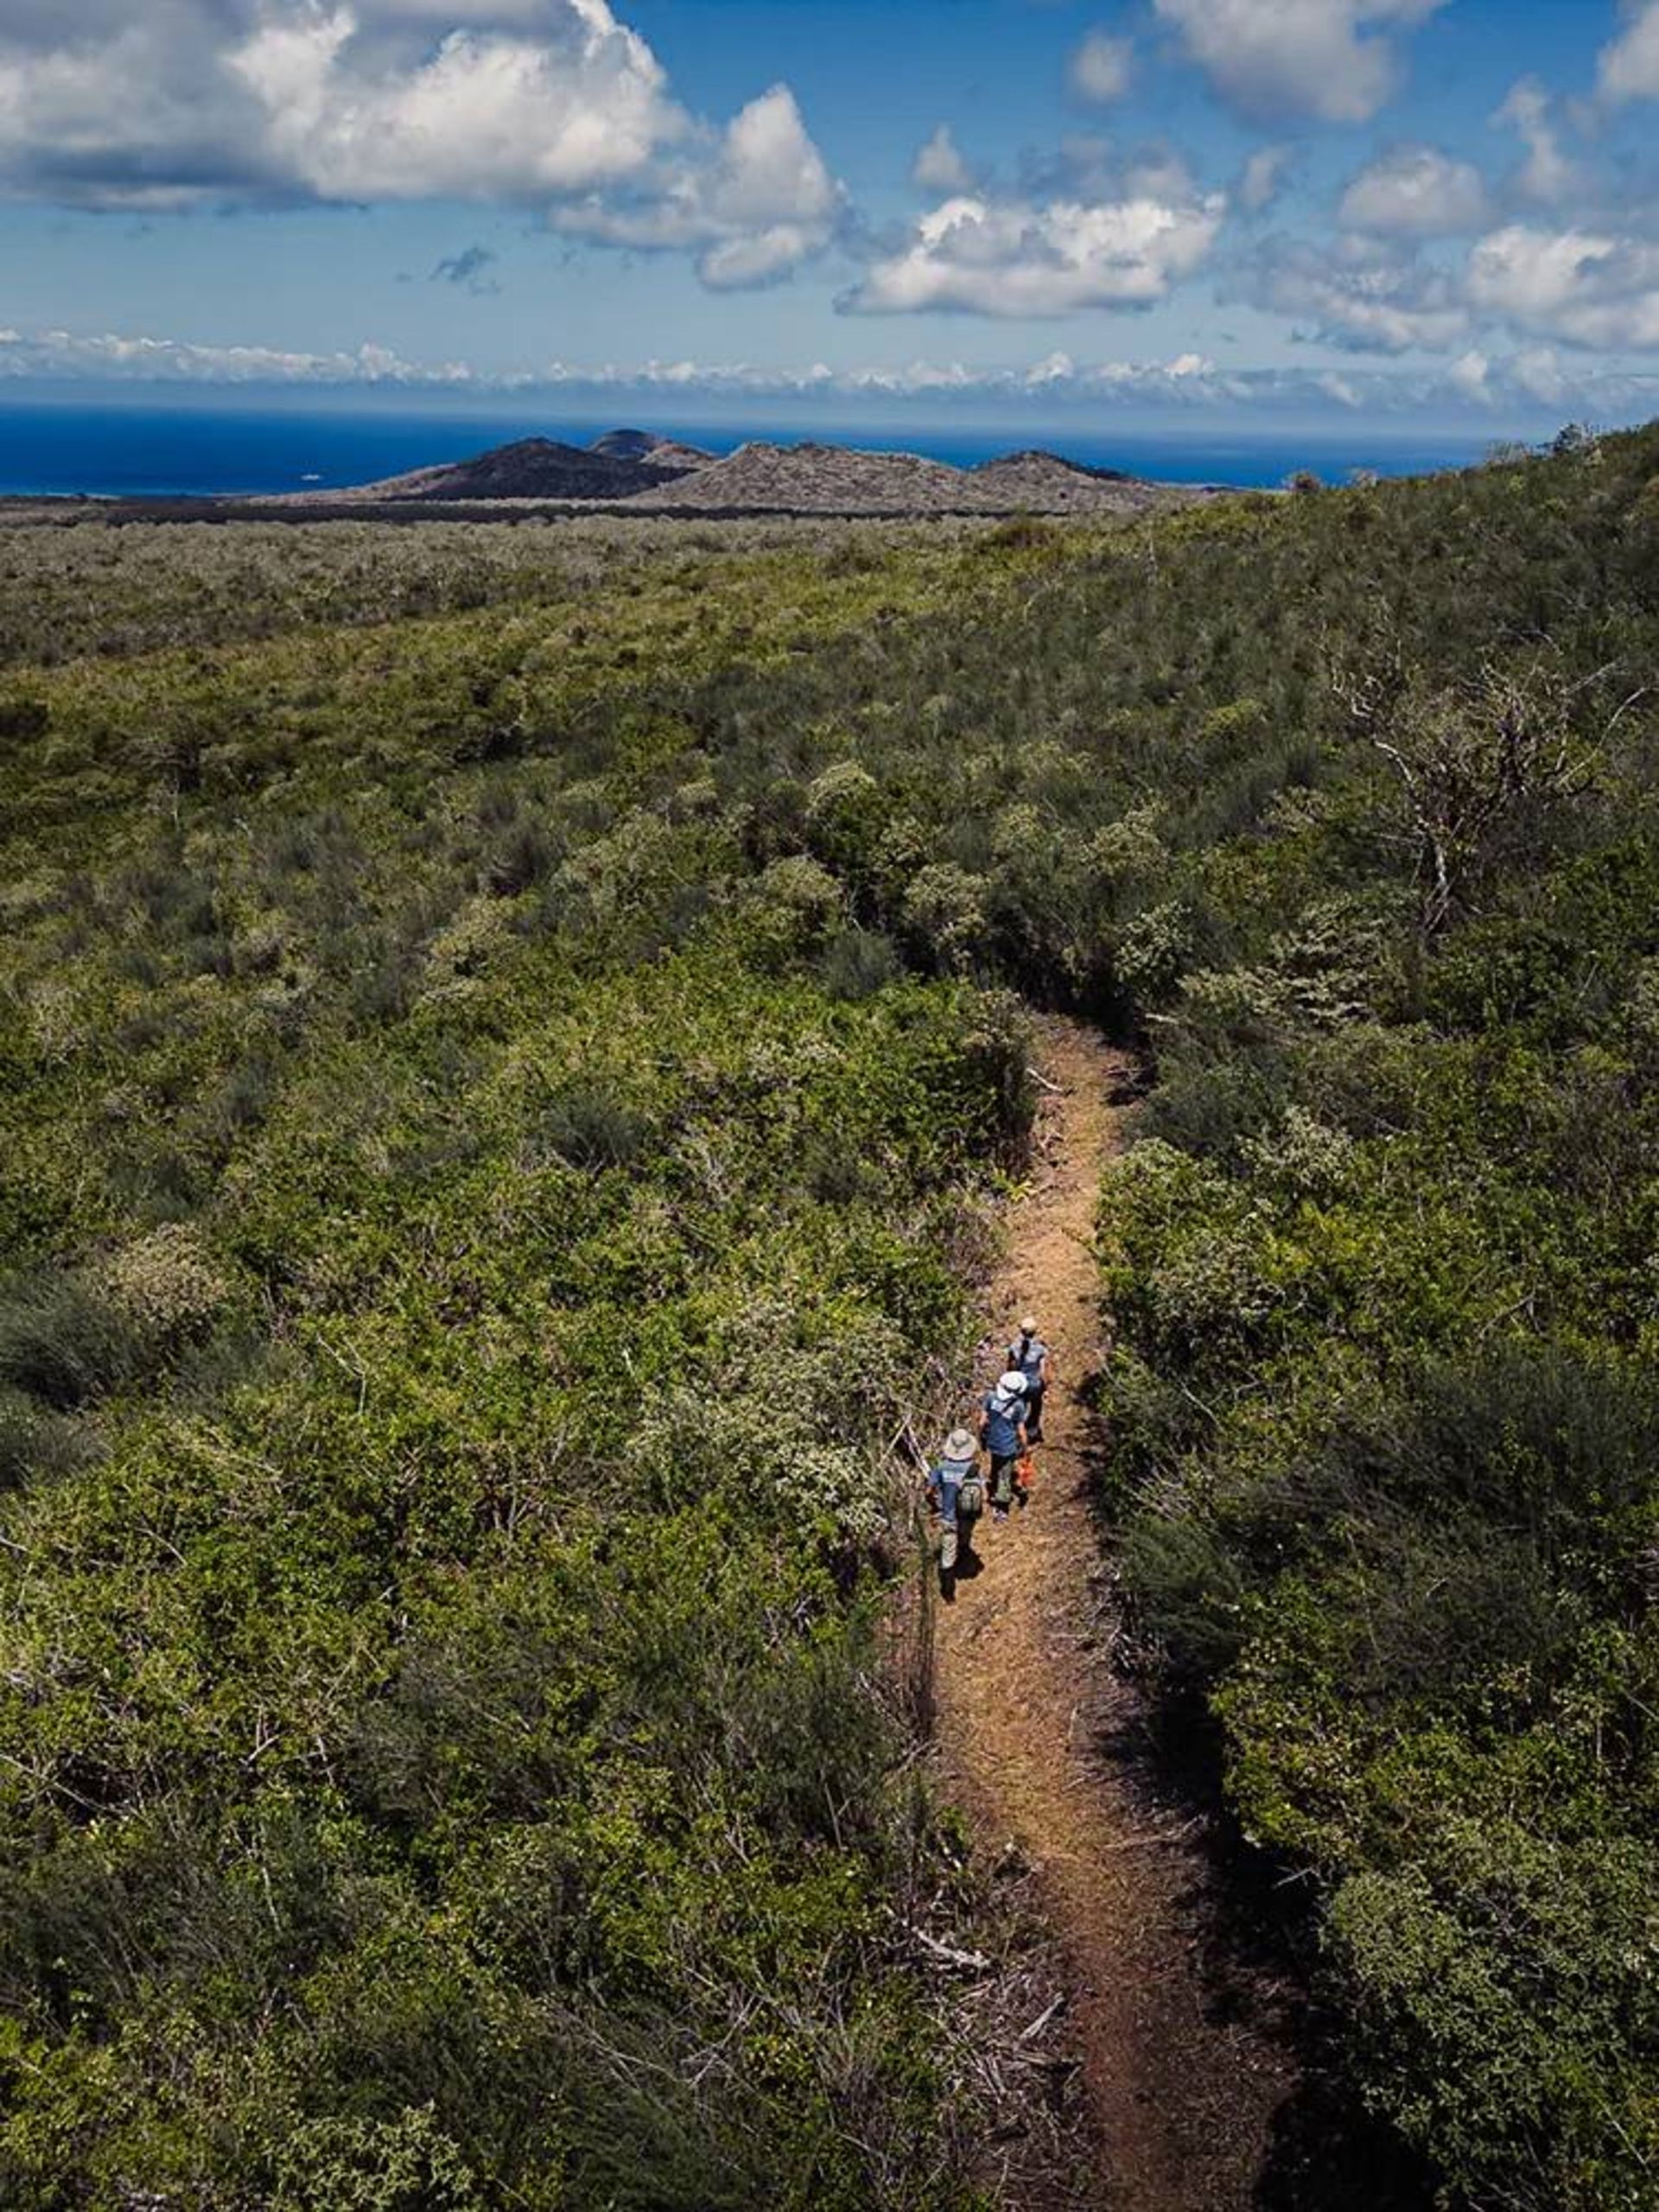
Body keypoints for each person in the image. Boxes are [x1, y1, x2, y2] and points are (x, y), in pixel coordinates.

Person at [926, 1426, 985, 1595]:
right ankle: (964, 1558)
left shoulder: (941, 1467)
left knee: (947, 1554)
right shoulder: (973, 1468)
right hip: (967, 1515)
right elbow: (984, 1494)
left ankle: (948, 1592)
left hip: (948, 1517)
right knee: (964, 1537)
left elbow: (929, 1491)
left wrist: (934, 1505)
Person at [978, 1370, 1030, 1517]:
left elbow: (981, 1423)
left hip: (992, 1442)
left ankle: (993, 1485)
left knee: (996, 1464)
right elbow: (1021, 1432)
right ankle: (1002, 1507)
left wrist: (982, 1439)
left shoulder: (990, 1397)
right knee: (1005, 1475)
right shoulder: (1018, 1405)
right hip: (1008, 1446)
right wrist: (1025, 1449)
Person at [1007, 1314, 1052, 1443]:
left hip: (1019, 1384)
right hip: (1035, 1385)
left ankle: (1017, 1435)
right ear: (1035, 1331)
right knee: (1036, 1407)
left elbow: (1011, 1367)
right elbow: (1043, 1371)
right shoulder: (1040, 1349)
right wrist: (1046, 1388)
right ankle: (1032, 1432)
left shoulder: (1014, 1347)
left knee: (1020, 1409)